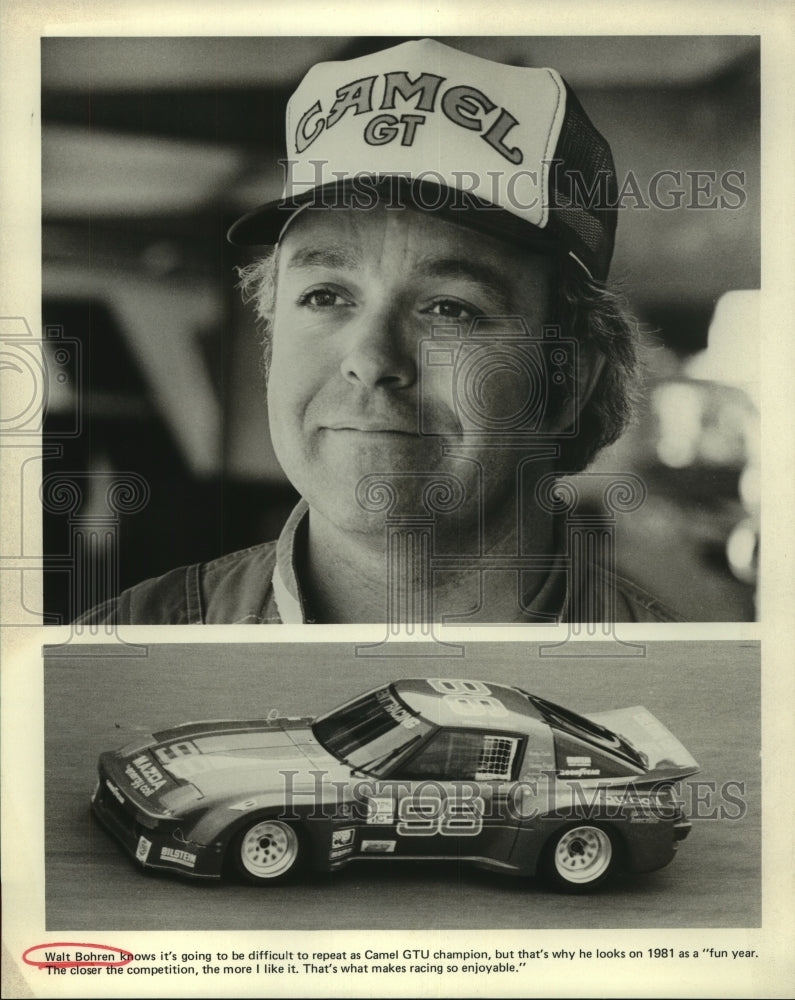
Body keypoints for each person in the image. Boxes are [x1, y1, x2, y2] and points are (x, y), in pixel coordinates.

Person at [78, 38, 683, 626]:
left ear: (568, 381)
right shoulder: (113, 650)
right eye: (325, 296)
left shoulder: (692, 693)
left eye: (450, 309)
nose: (370, 359)